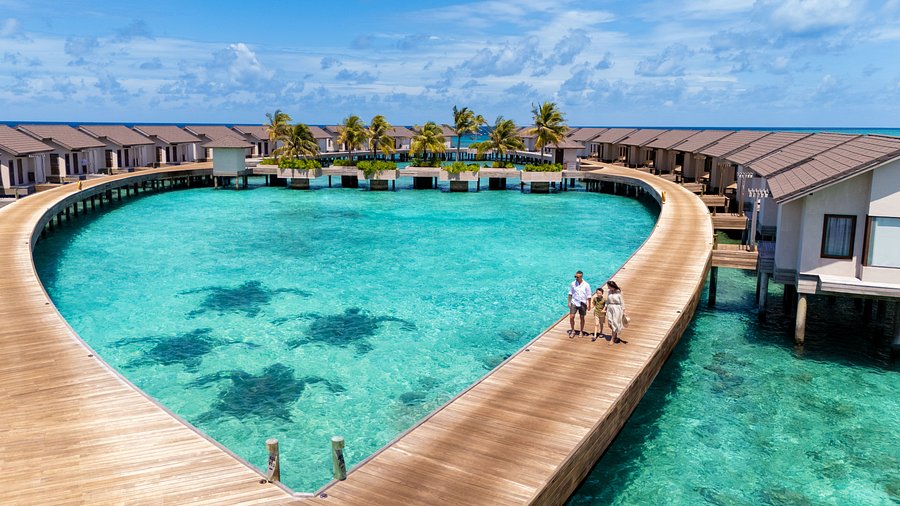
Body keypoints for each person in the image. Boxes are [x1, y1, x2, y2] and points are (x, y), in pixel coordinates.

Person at [567, 270, 591, 336]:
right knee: (571, 316)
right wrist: (569, 302)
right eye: (575, 277)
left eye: (577, 277)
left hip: (583, 302)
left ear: (581, 277)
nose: (576, 278)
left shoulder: (586, 285)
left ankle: (581, 331)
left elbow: (589, 295)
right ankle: (573, 330)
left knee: (582, 317)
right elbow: (570, 293)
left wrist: (589, 304)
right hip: (574, 302)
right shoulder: (573, 284)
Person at [605, 280, 625, 344]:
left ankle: (612, 339)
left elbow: (622, 302)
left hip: (617, 308)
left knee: (614, 323)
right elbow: (607, 300)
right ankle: (615, 334)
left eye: (608, 286)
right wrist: (605, 307)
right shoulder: (609, 292)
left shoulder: (619, 292)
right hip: (610, 308)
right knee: (610, 323)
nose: (607, 287)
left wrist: (624, 311)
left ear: (611, 286)